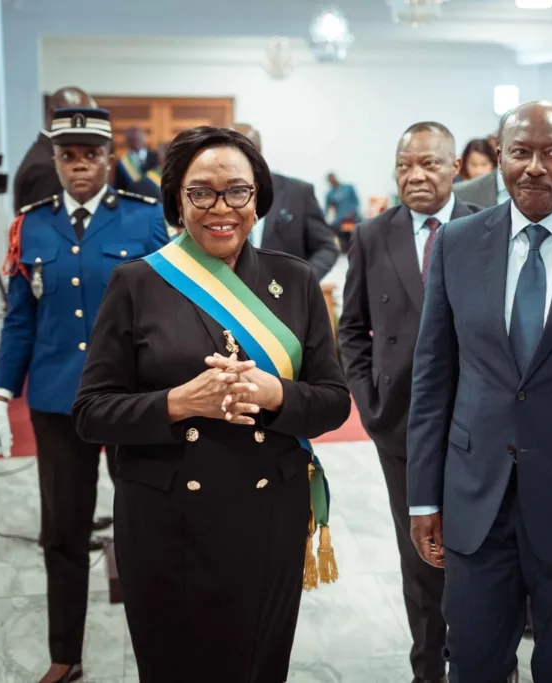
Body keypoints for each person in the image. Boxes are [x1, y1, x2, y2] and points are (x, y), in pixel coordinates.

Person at [71, 126, 350, 683]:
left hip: (270, 511)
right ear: (177, 198)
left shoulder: (293, 281)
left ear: (257, 198)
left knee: (258, 662)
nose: (220, 208)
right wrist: (179, 403)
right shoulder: (135, 284)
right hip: (166, 517)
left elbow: (334, 402)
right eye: (201, 192)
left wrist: (276, 395)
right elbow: (91, 412)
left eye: (237, 191)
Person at [406, 101, 552, 683]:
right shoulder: (459, 243)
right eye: (519, 152)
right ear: (497, 156)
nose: (534, 167)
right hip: (475, 497)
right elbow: (433, 377)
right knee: (472, 661)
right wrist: (423, 498)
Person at [0, 107, 169, 683]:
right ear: (56, 161)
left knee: (146, 528)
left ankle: (162, 651)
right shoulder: (31, 226)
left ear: (108, 158)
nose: (80, 164)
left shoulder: (144, 220)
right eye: (69, 155)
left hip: (129, 400)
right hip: (58, 402)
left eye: (91, 153)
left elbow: (166, 308)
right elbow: (19, 322)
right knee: (62, 531)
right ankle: (66, 654)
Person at [339, 121, 479, 683]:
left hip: (476, 421)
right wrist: (370, 405)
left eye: (428, 164)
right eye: (404, 166)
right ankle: (428, 668)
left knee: (480, 549)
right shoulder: (373, 235)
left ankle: (483, 660)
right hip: (398, 422)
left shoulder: (484, 227)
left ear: (455, 168)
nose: (415, 175)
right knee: (420, 555)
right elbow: (352, 328)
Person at [231, 123, 339, 280]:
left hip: (281, 296)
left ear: (257, 152)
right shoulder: (214, 197)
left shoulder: (297, 192)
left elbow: (326, 247)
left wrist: (303, 284)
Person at [13, 86, 96, 210]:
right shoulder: (45, 168)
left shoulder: (48, 155)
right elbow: (40, 225)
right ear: (53, 114)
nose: (85, 126)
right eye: (79, 118)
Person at [114, 126, 162, 200]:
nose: (136, 142)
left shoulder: (157, 157)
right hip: (134, 202)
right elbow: (119, 188)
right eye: (132, 140)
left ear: (144, 138)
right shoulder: (122, 163)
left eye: (138, 139)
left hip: (157, 200)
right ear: (126, 142)